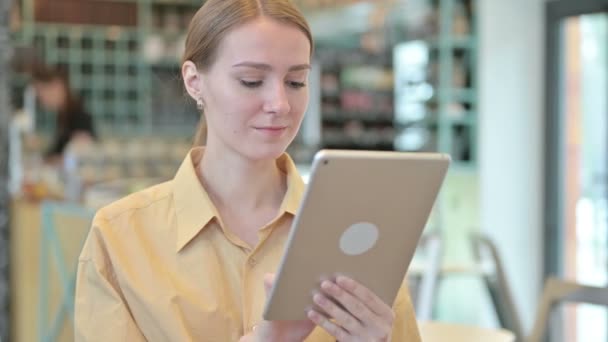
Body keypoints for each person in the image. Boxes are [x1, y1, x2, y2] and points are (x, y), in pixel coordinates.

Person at [74, 0, 421, 341]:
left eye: (296, 82)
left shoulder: (358, 235)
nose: (280, 104)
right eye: (252, 81)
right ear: (194, 81)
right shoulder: (120, 238)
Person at [30, 65, 96, 163]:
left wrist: (46, 161)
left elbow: (80, 157)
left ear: (58, 87)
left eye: (42, 94)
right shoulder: (63, 115)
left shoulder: (78, 116)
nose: (41, 101)